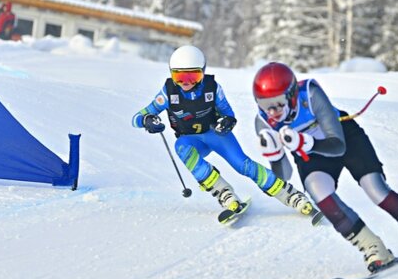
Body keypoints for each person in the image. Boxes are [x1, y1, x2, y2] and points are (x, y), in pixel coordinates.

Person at [252, 62, 398, 273]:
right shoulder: (263, 123)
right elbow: (283, 176)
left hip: (344, 138)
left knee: (375, 189)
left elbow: (337, 145)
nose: (272, 111)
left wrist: (305, 142)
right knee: (320, 193)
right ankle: (373, 248)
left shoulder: (311, 95)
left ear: (292, 94)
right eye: (264, 103)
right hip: (311, 154)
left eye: (278, 103)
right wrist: (275, 156)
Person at [133, 45, 319, 223]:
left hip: (216, 135)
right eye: (179, 77)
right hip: (191, 140)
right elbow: (137, 117)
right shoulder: (168, 92)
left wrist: (227, 122)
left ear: (203, 73)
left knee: (243, 165)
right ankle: (224, 193)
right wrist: (148, 120)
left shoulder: (212, 88)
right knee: (181, 147)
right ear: (171, 74)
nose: (186, 83)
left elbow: (228, 114)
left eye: (193, 76)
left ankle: (290, 195)